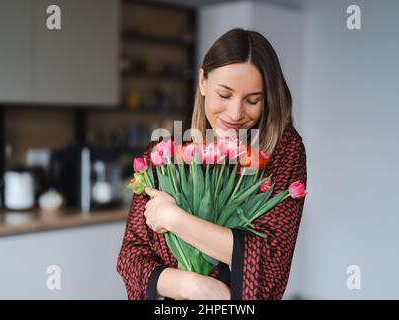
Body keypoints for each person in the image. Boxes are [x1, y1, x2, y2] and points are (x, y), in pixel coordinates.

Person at [117, 28, 307, 300]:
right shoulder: (165, 157)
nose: (235, 113)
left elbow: (271, 259)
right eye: (225, 95)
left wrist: (174, 219)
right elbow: (131, 258)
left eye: (253, 100)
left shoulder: (282, 153)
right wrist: (195, 287)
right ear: (203, 82)